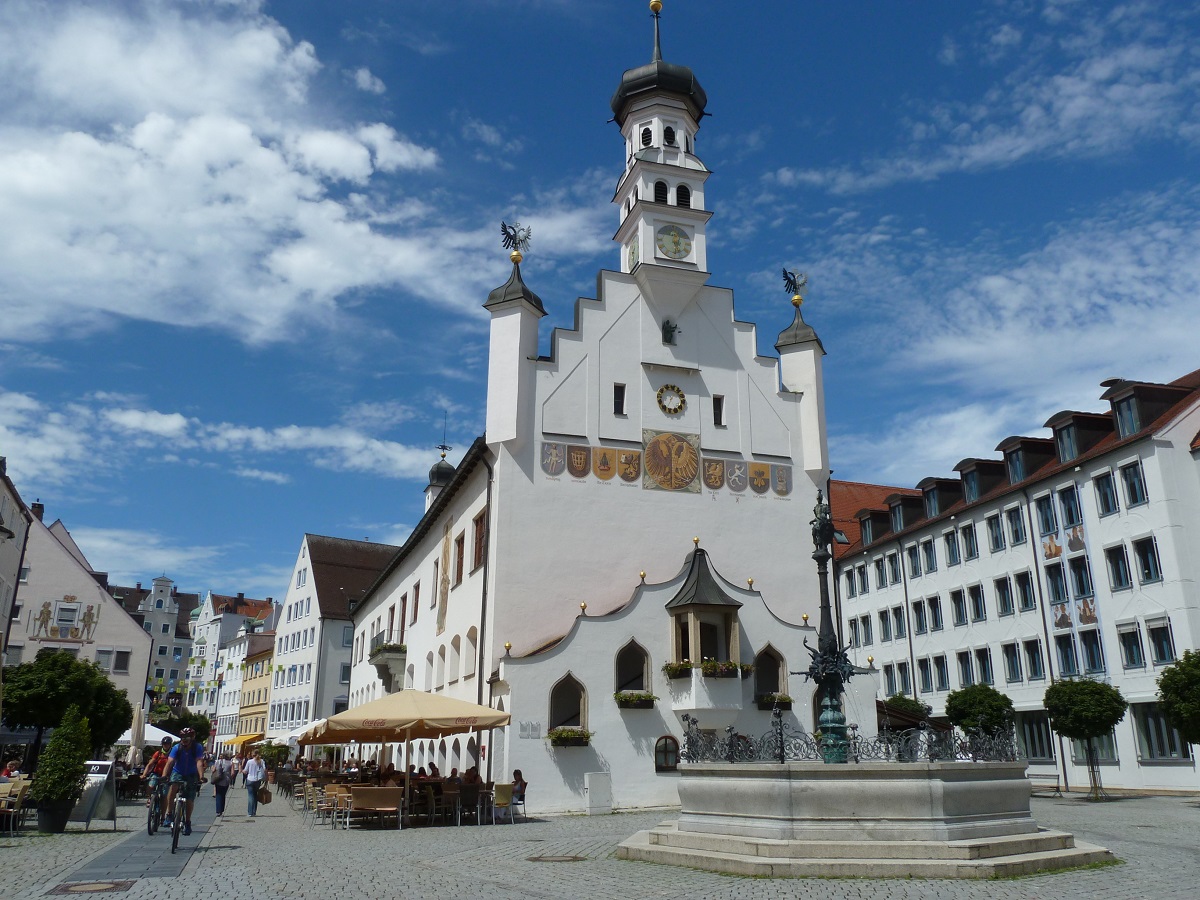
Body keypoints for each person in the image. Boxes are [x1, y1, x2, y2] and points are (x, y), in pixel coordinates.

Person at [163, 728, 205, 835]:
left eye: (186, 737)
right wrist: (164, 775)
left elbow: (199, 762)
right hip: (178, 772)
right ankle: (169, 814)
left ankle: (187, 822)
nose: (184, 739)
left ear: (192, 738)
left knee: (190, 799)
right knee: (173, 787)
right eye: (182, 737)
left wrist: (201, 777)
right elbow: (170, 762)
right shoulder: (177, 747)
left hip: (191, 773)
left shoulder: (197, 747)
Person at [142, 737, 174, 808]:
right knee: (151, 785)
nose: (165, 745)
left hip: (167, 776)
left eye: (167, 744)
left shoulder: (172, 753)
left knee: (164, 795)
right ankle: (150, 798)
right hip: (156, 773)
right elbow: (150, 764)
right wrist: (144, 774)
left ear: (170, 745)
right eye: (164, 744)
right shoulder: (158, 753)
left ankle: (162, 816)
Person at [243, 748, 267, 817]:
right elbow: (265, 769)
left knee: (250, 796)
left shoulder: (249, 761)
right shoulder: (261, 761)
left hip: (250, 780)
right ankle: (254, 812)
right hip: (257, 780)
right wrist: (266, 778)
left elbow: (245, 771)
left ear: (253, 754)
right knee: (255, 795)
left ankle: (250, 812)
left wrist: (242, 770)